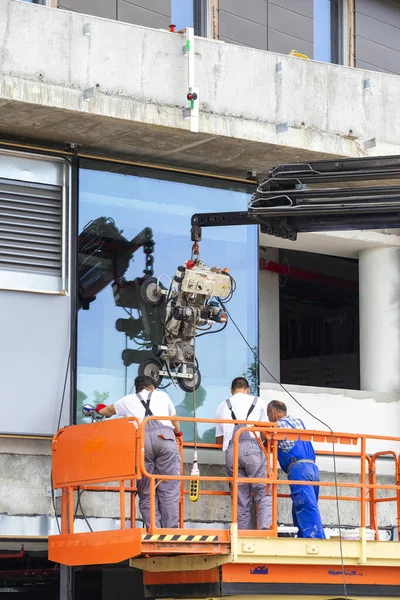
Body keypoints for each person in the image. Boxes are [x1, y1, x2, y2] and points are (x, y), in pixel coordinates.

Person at [94, 375, 182, 529]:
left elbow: (108, 411)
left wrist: (100, 409)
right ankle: (169, 532)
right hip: (165, 440)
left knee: (147, 490)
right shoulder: (163, 396)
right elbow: (175, 422)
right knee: (169, 489)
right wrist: (178, 434)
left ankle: (153, 530)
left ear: (137, 389)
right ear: (152, 387)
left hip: (142, 443)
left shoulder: (127, 400)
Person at [215, 377, 272, 530]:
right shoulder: (257, 401)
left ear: (231, 391)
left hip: (231, 452)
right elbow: (266, 432)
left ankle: (243, 534)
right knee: (263, 491)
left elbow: (219, 440)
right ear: (248, 390)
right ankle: (265, 531)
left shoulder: (221, 406)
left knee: (240, 498)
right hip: (252, 448)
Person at [267, 400, 325, 539]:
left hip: (299, 470)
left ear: (273, 412)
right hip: (313, 468)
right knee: (302, 505)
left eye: (269, 416)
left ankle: (316, 539)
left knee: (305, 506)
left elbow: (266, 436)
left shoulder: (278, 424)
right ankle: (302, 536)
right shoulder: (298, 422)